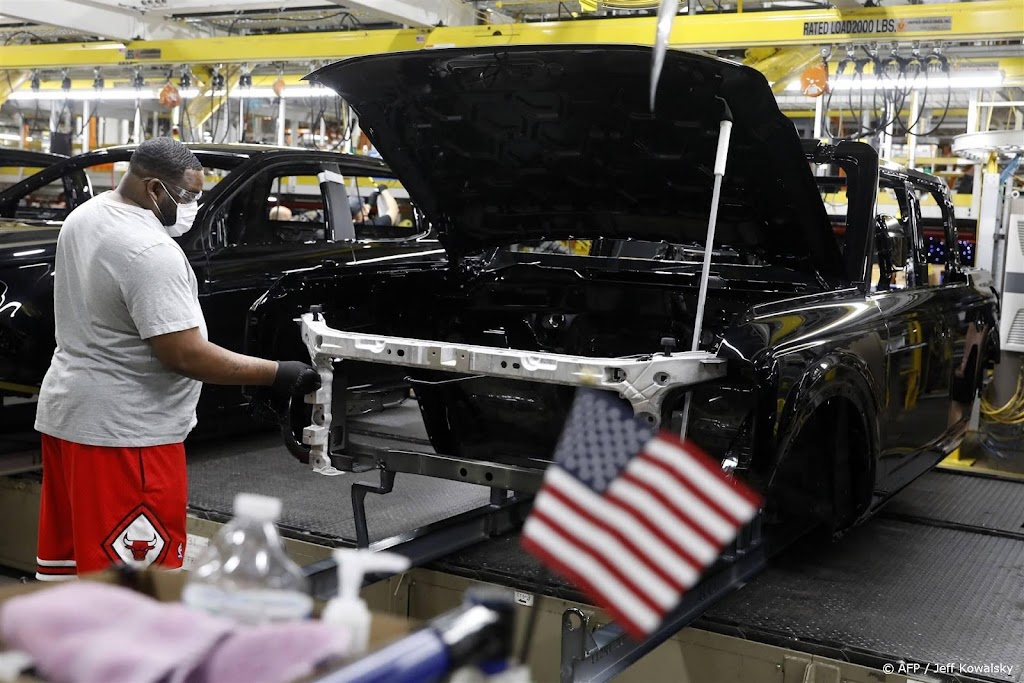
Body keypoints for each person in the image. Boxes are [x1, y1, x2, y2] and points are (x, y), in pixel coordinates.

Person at [33, 137, 321, 581]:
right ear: (152, 189)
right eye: (186, 196)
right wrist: (278, 373)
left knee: (79, 579)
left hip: (69, 418)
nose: (191, 206)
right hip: (128, 439)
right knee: (137, 587)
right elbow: (184, 355)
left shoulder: (85, 216)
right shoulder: (150, 252)